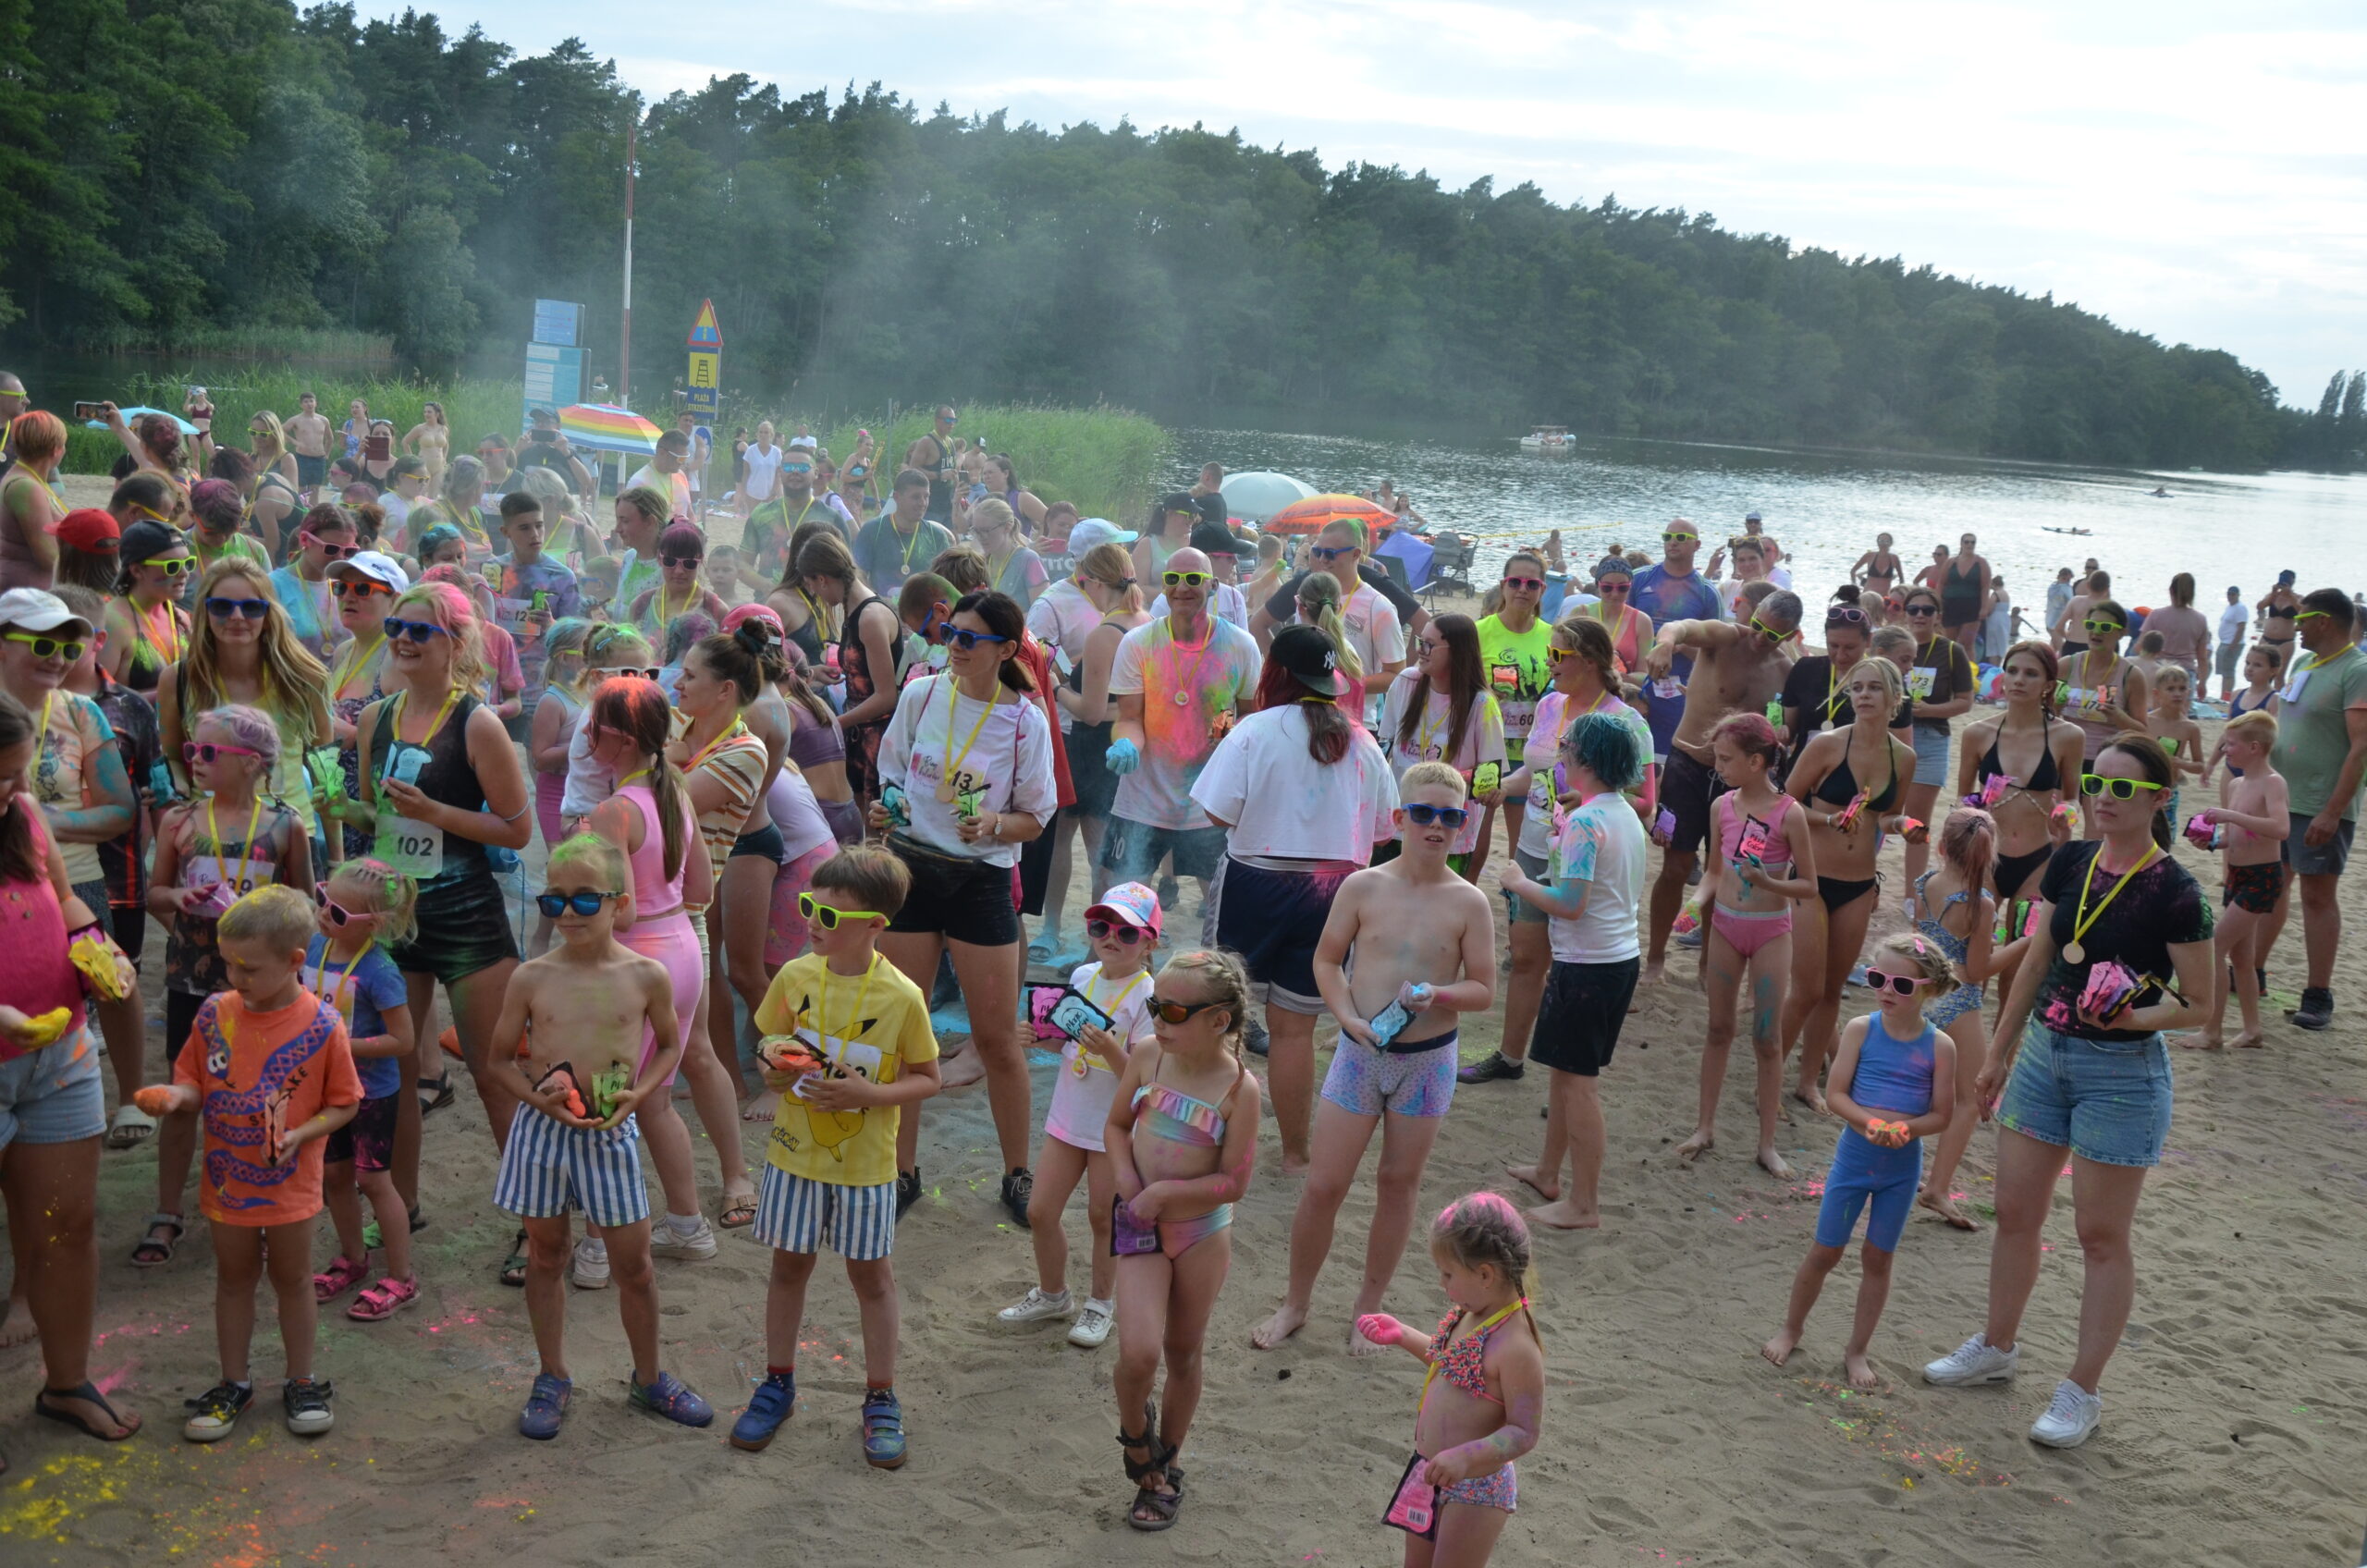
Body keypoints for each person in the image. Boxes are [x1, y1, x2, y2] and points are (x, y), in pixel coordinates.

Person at [1926, 736, 2210, 1449]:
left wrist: (2132, 1016)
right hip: (2044, 1058)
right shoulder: (2073, 861)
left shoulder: (2177, 891)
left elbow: (2202, 1004)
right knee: (2015, 1213)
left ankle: (2082, 1390)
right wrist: (1999, 1051)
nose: (2104, 798)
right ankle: (1997, 1347)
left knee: (2100, 1236)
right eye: (2096, 784)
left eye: (2123, 788)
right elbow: (2039, 960)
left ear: (2160, 799)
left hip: (2123, 1076)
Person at [1250, 761, 1496, 1353]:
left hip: (1427, 1063)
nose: (1436, 826)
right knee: (1323, 1185)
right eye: (1424, 813)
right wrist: (1346, 1017)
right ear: (1399, 818)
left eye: (1449, 817)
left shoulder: (1469, 902)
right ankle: (1295, 1303)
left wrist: (1440, 994)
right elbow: (1326, 961)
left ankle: (1369, 1307)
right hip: (1360, 1056)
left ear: (1463, 824)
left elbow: (1484, 989)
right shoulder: (1363, 886)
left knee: (1398, 1183)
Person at [485, 831, 713, 1439]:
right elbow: (498, 1060)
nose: (568, 913)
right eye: (554, 900)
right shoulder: (531, 977)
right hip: (543, 1131)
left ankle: (649, 1377)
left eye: (585, 899)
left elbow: (669, 1046)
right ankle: (552, 1375)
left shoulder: (646, 976)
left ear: (619, 903)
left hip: (610, 1131)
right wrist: (538, 1098)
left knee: (634, 1264)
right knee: (546, 1254)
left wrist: (640, 1094)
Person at [736, 845, 941, 1462]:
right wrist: (771, 1064)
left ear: (875, 924)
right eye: (809, 907)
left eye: (828, 916)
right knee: (788, 1268)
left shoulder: (902, 997)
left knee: (871, 1278)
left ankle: (881, 1396)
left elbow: (928, 1078)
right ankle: (777, 1384)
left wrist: (868, 1094)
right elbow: (769, 1037)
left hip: (866, 1168)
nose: (812, 923)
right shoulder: (796, 976)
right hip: (792, 1157)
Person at [350, 582, 532, 1269]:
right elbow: (373, 817)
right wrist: (342, 810)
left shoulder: (477, 724)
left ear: (455, 642)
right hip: (393, 912)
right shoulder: (376, 718)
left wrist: (436, 814)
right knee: (393, 1073)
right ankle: (400, 1205)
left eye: (419, 630)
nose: (402, 639)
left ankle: (535, 1222)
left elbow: (517, 830)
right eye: (396, 627)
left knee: (494, 1072)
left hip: (467, 914)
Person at [141, 884, 360, 1444]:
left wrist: (301, 1134)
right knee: (234, 1278)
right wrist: (175, 1097)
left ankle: (301, 1380)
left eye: (249, 967)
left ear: (294, 961)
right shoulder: (214, 1014)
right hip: (227, 1183)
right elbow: (195, 1082)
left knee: (293, 1278)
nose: (234, 976)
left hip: (291, 1184)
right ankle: (234, 1383)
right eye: (227, 962)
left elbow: (345, 1103)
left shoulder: (323, 1025)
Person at [869, 591, 1057, 1221]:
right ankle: (901, 1174)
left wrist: (996, 824)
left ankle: (1018, 1174)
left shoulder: (1025, 722)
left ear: (1006, 650)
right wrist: (887, 805)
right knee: (905, 1031)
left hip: (980, 879)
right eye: (951, 633)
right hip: (911, 870)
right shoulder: (923, 694)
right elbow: (892, 773)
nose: (955, 645)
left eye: (970, 638)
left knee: (997, 1040)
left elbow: (1037, 816)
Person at [1191, 623, 1396, 1171]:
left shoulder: (1254, 730)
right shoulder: (1362, 740)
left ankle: (1217, 1140)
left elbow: (1216, 812)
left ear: (1274, 673)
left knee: (1223, 1015)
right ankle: (1294, 1154)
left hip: (1257, 880)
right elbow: (1383, 831)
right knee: (1294, 1031)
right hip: (1334, 889)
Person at [0, 688, 145, 1460]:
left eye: (16, 775)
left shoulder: (22, 813)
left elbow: (62, 898)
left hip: (58, 1054)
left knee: (68, 1225)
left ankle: (66, 1383)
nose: (10, 791)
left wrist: (99, 951)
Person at [578, 672, 746, 1261]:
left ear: (620, 739)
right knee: (654, 1100)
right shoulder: (674, 790)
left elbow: (619, 913)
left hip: (636, 959)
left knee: (605, 1101)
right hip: (682, 949)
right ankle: (687, 1226)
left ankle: (598, 1249)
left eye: (594, 728)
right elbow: (700, 888)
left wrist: (583, 864)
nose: (587, 737)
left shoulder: (614, 810)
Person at [1105, 949, 1263, 1532]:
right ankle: (1136, 1439)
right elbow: (1117, 1126)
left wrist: (1166, 1193)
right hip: (1140, 1224)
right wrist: (1130, 1184)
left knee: (1182, 1352)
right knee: (1138, 1353)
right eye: (1155, 1006)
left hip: (1200, 1234)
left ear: (1219, 1020)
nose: (1158, 1021)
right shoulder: (1148, 1056)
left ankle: (1167, 1464)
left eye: (1173, 1011)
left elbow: (1233, 1183)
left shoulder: (1240, 1089)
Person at [1462, 616, 1653, 1087]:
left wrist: (1588, 800)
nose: (1548, 663)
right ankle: (1510, 1057)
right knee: (1527, 957)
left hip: (1588, 854)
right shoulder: (1550, 704)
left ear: (1588, 661)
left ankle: (1569, 1076)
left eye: (1557, 655)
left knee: (1575, 963)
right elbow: (1533, 772)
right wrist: (1502, 788)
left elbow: (1647, 802)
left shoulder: (1627, 722)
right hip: (1535, 846)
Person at [1761, 931, 1956, 1390]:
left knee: (1878, 1258)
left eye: (1901, 985)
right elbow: (1836, 1094)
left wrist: (1906, 1129)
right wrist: (1871, 1124)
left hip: (1900, 1170)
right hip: (1854, 1159)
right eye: (1876, 978)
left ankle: (1857, 1349)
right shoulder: (1860, 1029)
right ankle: (1791, 1328)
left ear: (1927, 989)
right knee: (1825, 1250)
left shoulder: (1940, 1046)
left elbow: (1942, 1114)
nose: (1886, 991)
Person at [1499, 711, 1649, 1230]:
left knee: (1578, 1085)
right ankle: (1548, 1172)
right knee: (1566, 1077)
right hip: (1615, 958)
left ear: (1584, 759)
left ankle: (1584, 1203)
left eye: (1567, 747)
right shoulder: (1620, 812)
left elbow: (1570, 904)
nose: (1561, 754)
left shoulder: (1588, 821)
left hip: (1588, 966)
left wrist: (1519, 882)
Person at [997, 881, 1162, 1349]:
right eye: (1101, 927)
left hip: (1115, 1127)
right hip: (1068, 1117)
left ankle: (1100, 1304)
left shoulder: (1149, 995)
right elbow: (1069, 1044)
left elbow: (1143, 1080)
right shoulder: (1083, 975)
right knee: (1040, 1210)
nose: (1111, 937)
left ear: (1149, 944)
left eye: (1127, 933)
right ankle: (1054, 1295)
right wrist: (1038, 1038)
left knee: (1102, 1217)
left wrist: (1108, 1047)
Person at [1355, 1194, 1544, 1568]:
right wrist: (1403, 1335)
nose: (1442, 1283)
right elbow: (1454, 1366)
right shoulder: (1471, 1314)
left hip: (1475, 1488)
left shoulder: (1516, 1348)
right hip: (1429, 1471)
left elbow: (1524, 1432)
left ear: (1485, 1275)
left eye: (1447, 1274)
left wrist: (1464, 1457)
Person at [1677, 713, 1819, 1175]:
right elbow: (1713, 873)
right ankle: (1704, 1127)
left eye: (1726, 759)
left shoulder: (1789, 813)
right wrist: (1694, 905)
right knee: (1718, 1028)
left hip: (1770, 930)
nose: (1718, 767)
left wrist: (1768, 882)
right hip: (1726, 925)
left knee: (1767, 1038)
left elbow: (1809, 886)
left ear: (1756, 762)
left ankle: (1766, 1144)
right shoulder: (1722, 806)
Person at [1636, 591, 1801, 981]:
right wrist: (1665, 643)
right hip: (1688, 766)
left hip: (1738, 784)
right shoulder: (1726, 638)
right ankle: (1656, 957)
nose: (1759, 637)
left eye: (1772, 635)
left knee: (1725, 871)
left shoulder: (1784, 669)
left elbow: (1789, 728)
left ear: (1790, 636)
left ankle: (1707, 964)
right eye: (1757, 625)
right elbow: (1682, 626)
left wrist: (1784, 733)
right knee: (1675, 867)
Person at [1780, 656, 1919, 1112]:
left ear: (1894, 697)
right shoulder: (1827, 745)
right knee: (1806, 990)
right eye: (1856, 688)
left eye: (1874, 688)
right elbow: (1785, 803)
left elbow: (1888, 816)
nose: (1862, 695)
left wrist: (1906, 826)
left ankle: (1807, 1082)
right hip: (1812, 879)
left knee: (1832, 990)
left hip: (1859, 882)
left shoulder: (1904, 757)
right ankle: (1770, 1071)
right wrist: (1827, 818)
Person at [1103, 548, 1264, 901]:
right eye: (1172, 579)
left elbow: (1249, 714)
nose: (1182, 588)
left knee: (1222, 903)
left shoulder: (1240, 645)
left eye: (1193, 579)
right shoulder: (1138, 643)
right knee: (1122, 901)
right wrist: (1126, 744)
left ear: (1213, 585)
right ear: (1163, 585)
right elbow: (1129, 717)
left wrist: (1222, 731)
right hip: (1144, 798)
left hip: (1208, 801)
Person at [304, 860, 423, 1321]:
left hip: (370, 1093)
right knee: (334, 1175)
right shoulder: (315, 946)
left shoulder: (380, 971)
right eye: (321, 898)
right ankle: (353, 1259)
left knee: (373, 1181)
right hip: (326, 1087)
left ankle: (402, 1277)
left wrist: (339, 1045)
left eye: (336, 912)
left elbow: (403, 1041)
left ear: (372, 924)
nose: (322, 913)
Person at [2257, 588, 2367, 1031]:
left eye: (2302, 619)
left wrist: (2333, 811)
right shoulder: (2304, 662)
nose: (2294, 625)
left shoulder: (2357, 670)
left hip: (2321, 803)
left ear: (2325, 621)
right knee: (2271, 886)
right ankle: (2253, 971)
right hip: (2282, 797)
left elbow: (2361, 747)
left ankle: (2318, 993)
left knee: (2317, 896)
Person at [1038, 540, 1150, 955]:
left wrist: (1057, 687)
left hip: (1091, 751)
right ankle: (1102, 942)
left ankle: (1090, 945)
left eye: (1083, 581)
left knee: (1092, 853)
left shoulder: (1106, 633)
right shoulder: (1146, 620)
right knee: (1109, 853)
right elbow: (1137, 703)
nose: (1082, 588)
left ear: (1098, 582)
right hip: (1127, 746)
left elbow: (1090, 711)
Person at [2177, 711, 2288, 1051]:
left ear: (2254, 747)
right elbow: (2236, 836)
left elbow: (2281, 829)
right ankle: (2252, 1031)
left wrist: (2229, 815)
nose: (2224, 750)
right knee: (2241, 957)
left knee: (2215, 947)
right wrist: (2211, 841)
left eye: (2230, 744)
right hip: (2238, 876)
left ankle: (2212, 1031)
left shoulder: (2273, 782)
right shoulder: (2237, 784)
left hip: (2262, 877)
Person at [1377, 614, 1507, 876]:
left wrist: (1445, 778)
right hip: (1401, 824)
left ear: (1457, 651)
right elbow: (1384, 749)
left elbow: (1490, 779)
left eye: (1429, 645)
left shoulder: (1481, 704)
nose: (1420, 651)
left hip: (1449, 833)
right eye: (1420, 642)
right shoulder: (1407, 682)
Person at [795, 533, 898, 802]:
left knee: (871, 821)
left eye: (812, 585)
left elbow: (886, 696)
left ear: (822, 579)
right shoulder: (853, 609)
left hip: (877, 738)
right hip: (859, 732)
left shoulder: (870, 617)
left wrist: (835, 724)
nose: (815, 593)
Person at [1896, 583, 1977, 898]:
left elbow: (1965, 701)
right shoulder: (1891, 645)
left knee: (1917, 823)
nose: (1920, 615)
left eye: (1927, 610)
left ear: (1938, 616)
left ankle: (1912, 895)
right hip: (1890, 738)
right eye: (1913, 609)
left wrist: (1930, 710)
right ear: (1905, 614)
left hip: (1930, 739)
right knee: (1876, 814)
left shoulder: (1951, 651)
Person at [1475, 553, 1552, 862]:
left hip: (1533, 750)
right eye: (1515, 582)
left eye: (1531, 584)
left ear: (1542, 589)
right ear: (1503, 586)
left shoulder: (1552, 636)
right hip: (1486, 747)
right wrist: (1485, 691)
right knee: (1475, 843)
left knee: (1523, 847)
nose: (1523, 589)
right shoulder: (1479, 631)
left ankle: (1513, 894)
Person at [2058, 599, 2151, 766]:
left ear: (2121, 633)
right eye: (2091, 625)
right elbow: (2045, 715)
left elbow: (2142, 731)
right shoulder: (2066, 665)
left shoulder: (2131, 675)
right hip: (2066, 756)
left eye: (2105, 627)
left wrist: (2118, 716)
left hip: (2106, 761)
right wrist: (2055, 705)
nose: (2096, 632)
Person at [854, 469, 955, 594]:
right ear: (897, 497)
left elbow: (946, 582)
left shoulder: (936, 535)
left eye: (926, 496)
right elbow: (858, 574)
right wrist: (876, 600)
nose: (923, 503)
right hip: (881, 605)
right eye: (916, 497)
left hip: (923, 605)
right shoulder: (873, 530)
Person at [628, 522, 730, 642]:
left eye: (689, 563)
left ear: (700, 560)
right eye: (670, 561)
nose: (679, 571)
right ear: (659, 559)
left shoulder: (716, 610)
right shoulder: (640, 606)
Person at [0, 410, 66, 591]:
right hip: (26, 592)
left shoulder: (29, 479)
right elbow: (48, 557)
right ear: (56, 450)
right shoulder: (26, 487)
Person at [968, 496, 1047, 606]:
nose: (980, 537)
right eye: (976, 531)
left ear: (1007, 527)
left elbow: (1041, 610)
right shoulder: (980, 564)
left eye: (986, 530)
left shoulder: (1029, 560)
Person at [2139, 574, 2210, 682]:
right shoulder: (2200, 620)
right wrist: (2202, 683)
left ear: (2171, 591)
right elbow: (2202, 657)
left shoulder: (2156, 615)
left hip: (2159, 672)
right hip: (2185, 675)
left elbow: (2139, 646)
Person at [904, 406, 961, 523]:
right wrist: (939, 475)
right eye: (948, 420)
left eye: (954, 420)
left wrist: (957, 486)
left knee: (952, 535)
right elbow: (913, 469)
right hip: (931, 505)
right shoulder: (926, 442)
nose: (951, 424)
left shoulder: (950, 441)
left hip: (948, 502)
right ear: (937, 420)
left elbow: (951, 470)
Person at [625, 430, 694, 523]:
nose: (683, 462)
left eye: (686, 457)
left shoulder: (681, 476)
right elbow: (631, 523)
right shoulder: (639, 482)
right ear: (662, 452)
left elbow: (690, 513)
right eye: (681, 458)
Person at [2211, 585, 2249, 702]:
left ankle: (2226, 697)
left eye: (2233, 594)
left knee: (2229, 672)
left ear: (2238, 595)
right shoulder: (2230, 607)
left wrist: (2233, 644)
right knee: (2224, 672)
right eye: (2229, 594)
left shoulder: (2240, 608)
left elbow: (2241, 627)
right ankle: (2223, 696)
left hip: (2232, 643)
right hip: (2224, 642)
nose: (2230, 596)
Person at [2255, 570, 2300, 668]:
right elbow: (2260, 606)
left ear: (2293, 581)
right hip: (2266, 638)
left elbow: (2302, 611)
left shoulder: (2298, 598)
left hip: (2285, 641)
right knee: (2259, 669)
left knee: (2279, 672)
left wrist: (2290, 595)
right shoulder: (2273, 596)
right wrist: (2273, 593)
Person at [1851, 532, 1903, 603]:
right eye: (1881, 541)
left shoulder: (1894, 558)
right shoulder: (1869, 556)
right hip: (1868, 595)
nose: (1883, 544)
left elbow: (1901, 578)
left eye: (1886, 541)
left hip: (1885, 597)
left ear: (1891, 543)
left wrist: (1899, 593)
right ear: (1877, 542)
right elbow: (1853, 571)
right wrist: (1854, 586)